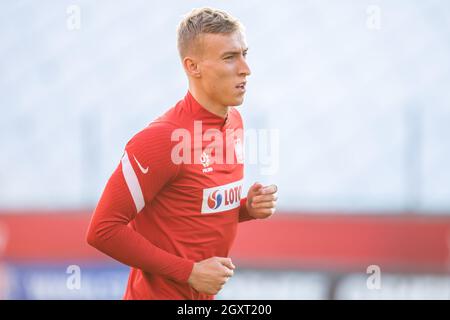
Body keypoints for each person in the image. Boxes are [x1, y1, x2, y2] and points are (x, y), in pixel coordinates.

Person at [86, 7, 278, 300]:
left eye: (244, 54)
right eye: (229, 57)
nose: (245, 69)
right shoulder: (159, 140)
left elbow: (189, 212)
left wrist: (246, 209)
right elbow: (103, 230)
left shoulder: (234, 122)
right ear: (193, 67)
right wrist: (190, 272)